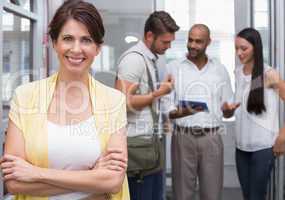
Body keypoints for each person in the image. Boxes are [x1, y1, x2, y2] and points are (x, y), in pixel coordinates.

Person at [0, 1, 129, 200]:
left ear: (98, 48)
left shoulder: (114, 101)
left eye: (86, 40)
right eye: (68, 38)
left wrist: (36, 173)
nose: (76, 49)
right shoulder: (24, 97)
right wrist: (92, 179)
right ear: (54, 42)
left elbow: (112, 182)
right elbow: (15, 182)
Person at [162, 24, 239, 200]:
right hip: (183, 137)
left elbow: (227, 110)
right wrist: (187, 111)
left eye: (198, 41)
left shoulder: (220, 70)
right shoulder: (173, 67)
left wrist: (228, 111)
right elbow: (167, 110)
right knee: (181, 193)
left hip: (211, 137)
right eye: (190, 40)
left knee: (212, 194)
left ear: (208, 42)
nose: (193, 45)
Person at [115, 11, 179, 200]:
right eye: (165, 42)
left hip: (149, 147)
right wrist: (159, 93)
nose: (168, 47)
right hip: (138, 150)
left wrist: (159, 91)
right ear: (150, 36)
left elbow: (143, 94)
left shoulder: (148, 58)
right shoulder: (133, 59)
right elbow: (123, 101)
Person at [223, 27, 285, 200]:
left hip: (263, 148)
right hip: (241, 148)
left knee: (256, 197)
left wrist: (282, 135)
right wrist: (228, 111)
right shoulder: (238, 72)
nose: (239, 53)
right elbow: (238, 110)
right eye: (236, 48)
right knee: (248, 196)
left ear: (255, 48)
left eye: (244, 48)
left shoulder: (269, 74)